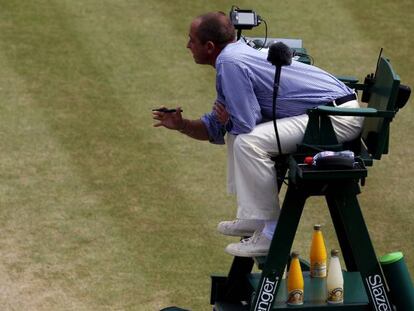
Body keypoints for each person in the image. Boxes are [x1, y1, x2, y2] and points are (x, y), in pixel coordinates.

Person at [152, 12, 363, 257]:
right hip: (324, 113)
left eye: (191, 40)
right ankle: (252, 217)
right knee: (239, 136)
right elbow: (217, 125)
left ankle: (270, 234)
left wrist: (229, 121)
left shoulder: (229, 63)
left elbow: (243, 123)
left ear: (209, 47)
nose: (187, 45)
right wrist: (182, 124)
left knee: (248, 141)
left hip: (335, 118)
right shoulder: (232, 55)